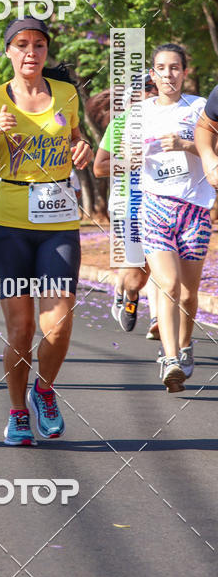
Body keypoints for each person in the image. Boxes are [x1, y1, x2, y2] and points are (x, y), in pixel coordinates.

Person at [0, 18, 92, 446]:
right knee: (20, 330)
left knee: (58, 325)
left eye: (38, 45)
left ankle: (44, 391)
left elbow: (77, 141)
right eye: (21, 44)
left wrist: (83, 148)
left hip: (58, 224)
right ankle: (17, 411)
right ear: (8, 51)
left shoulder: (66, 94)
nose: (31, 52)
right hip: (9, 225)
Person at [140, 44, 214, 391]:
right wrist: (128, 154)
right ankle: (170, 359)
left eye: (174, 68)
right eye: (161, 68)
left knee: (187, 293)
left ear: (184, 72)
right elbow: (114, 162)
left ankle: (185, 345)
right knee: (167, 285)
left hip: (195, 208)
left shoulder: (200, 108)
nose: (168, 74)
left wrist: (185, 145)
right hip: (155, 205)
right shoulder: (138, 113)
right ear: (152, 74)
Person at [93, 74, 159, 335]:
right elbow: (99, 168)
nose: (152, 92)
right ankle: (128, 296)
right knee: (136, 275)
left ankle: (158, 321)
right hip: (127, 208)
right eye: (147, 88)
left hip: (163, 206)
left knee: (159, 266)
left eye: (154, 87)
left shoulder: (169, 123)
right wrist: (131, 162)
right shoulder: (120, 125)